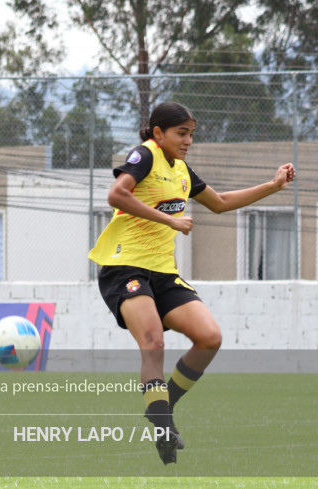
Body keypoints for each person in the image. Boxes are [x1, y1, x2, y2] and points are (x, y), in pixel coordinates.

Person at [88, 101, 296, 465]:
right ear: (158, 134)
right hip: (124, 267)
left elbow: (219, 202)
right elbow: (116, 194)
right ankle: (164, 427)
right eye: (181, 134)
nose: (188, 141)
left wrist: (274, 186)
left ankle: (161, 407)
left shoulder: (181, 170)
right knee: (153, 342)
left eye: (191, 135)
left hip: (163, 272)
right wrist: (169, 221)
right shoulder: (145, 156)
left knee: (209, 337)